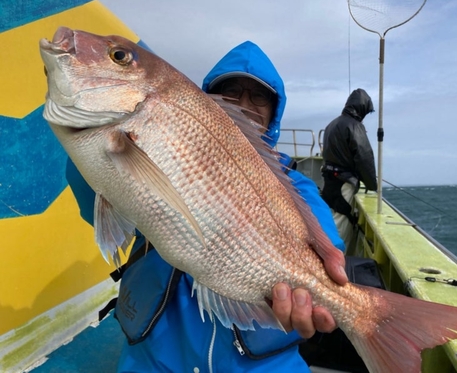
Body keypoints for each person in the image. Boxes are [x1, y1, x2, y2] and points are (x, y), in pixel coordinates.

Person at [67, 41, 347, 372]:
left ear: (275, 110)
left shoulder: (294, 185)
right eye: (230, 91)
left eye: (258, 96)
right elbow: (94, 197)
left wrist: (329, 286)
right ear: (207, 101)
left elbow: (325, 242)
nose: (243, 103)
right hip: (156, 360)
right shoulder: (167, 153)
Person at [321, 88, 377, 253]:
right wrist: (372, 185)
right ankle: (336, 270)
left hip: (329, 181)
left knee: (330, 223)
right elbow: (364, 157)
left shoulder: (331, 124)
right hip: (344, 184)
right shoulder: (355, 126)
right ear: (361, 108)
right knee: (341, 229)